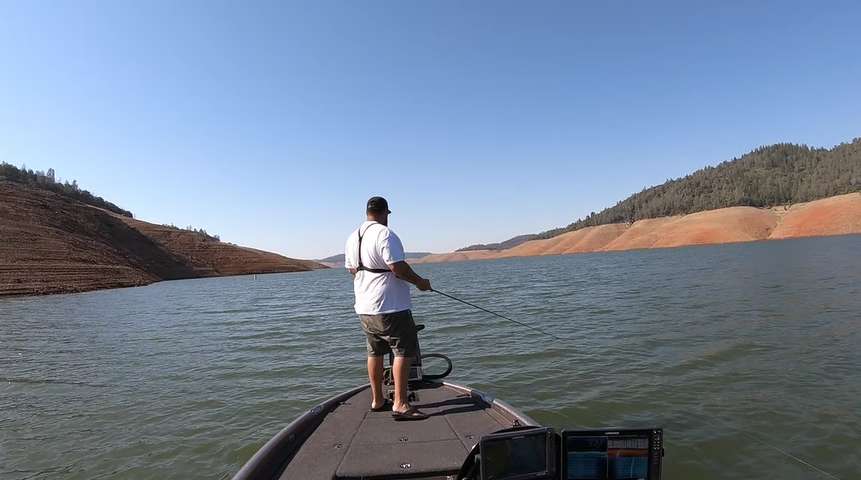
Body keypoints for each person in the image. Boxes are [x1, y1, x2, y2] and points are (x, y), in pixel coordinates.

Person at [344, 196, 432, 421]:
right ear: (385, 213)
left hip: (364, 307)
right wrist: (421, 282)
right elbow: (398, 267)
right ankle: (401, 404)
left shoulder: (352, 237)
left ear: (367, 212)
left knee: (375, 351)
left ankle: (377, 400)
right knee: (404, 350)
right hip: (390, 306)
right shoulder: (385, 234)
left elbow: (352, 270)